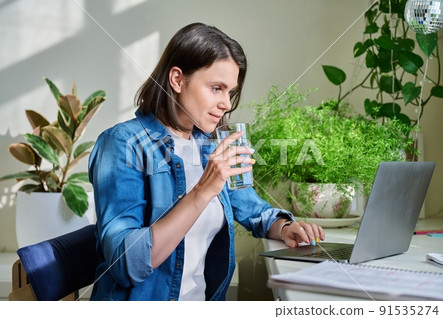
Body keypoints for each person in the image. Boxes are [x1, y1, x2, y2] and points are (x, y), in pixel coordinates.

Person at [88, 22, 325, 301]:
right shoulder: (122, 144)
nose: (227, 103)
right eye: (216, 88)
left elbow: (253, 210)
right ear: (177, 80)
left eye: (230, 92)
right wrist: (202, 191)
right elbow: (126, 264)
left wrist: (286, 228)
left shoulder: (209, 145)